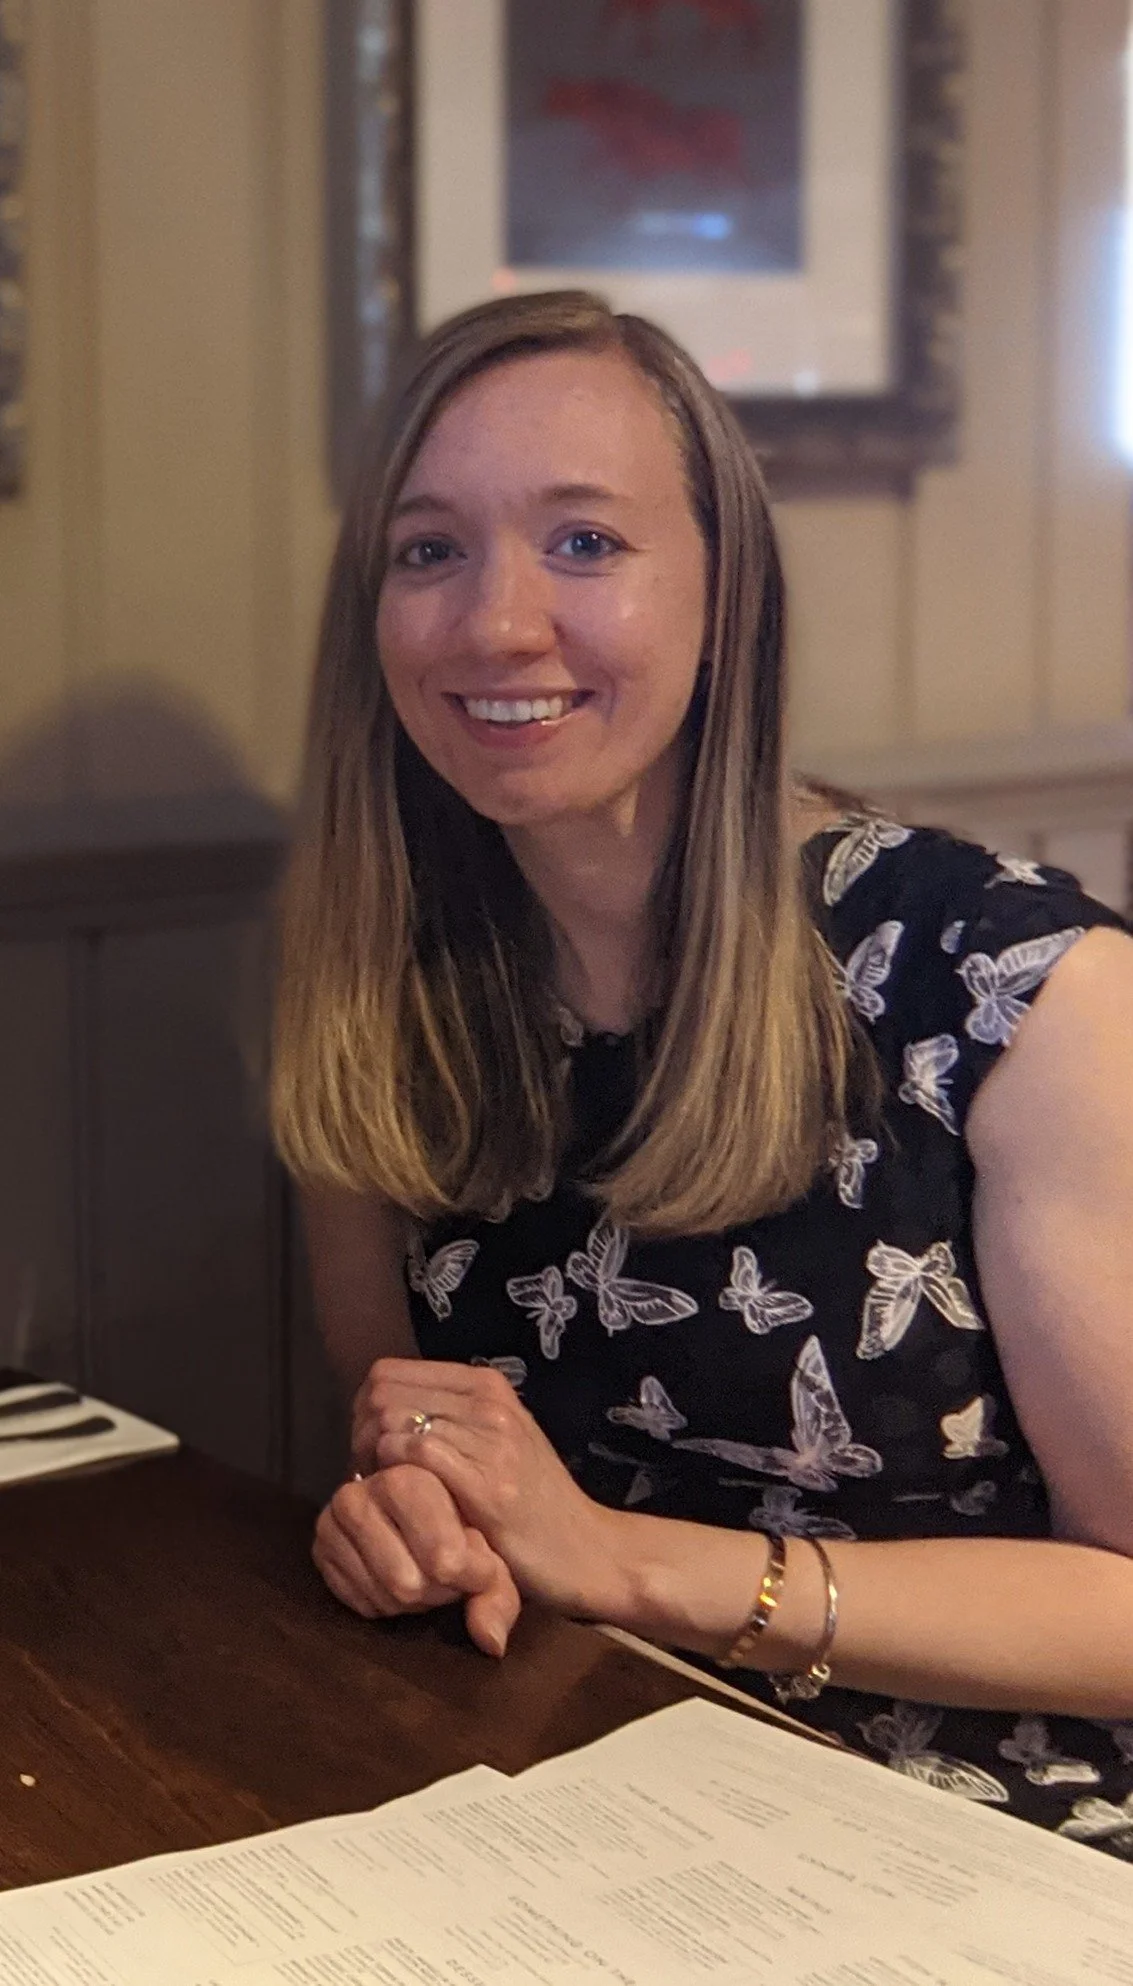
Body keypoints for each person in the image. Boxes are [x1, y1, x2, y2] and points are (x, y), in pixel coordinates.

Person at [272, 290, 1133, 1849]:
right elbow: (403, 1414)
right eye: (430, 549)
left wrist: (626, 1563)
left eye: (585, 542)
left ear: (728, 597)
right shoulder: (382, 994)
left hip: (998, 1834)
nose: (497, 622)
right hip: (570, 1788)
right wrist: (417, 1515)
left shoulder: (1010, 988)